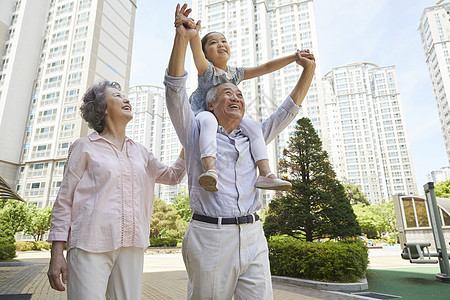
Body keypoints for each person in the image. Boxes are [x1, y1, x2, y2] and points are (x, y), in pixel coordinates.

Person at [164, 4, 315, 299]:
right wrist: (183, 38)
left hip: (254, 235)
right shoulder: (195, 130)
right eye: (227, 93)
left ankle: (267, 174)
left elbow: (287, 110)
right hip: (210, 237)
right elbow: (175, 90)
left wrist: (306, 70)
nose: (235, 96)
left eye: (239, 94)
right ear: (210, 103)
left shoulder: (252, 133)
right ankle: (211, 169)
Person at [46, 80, 186, 299]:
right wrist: (56, 253)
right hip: (89, 244)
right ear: (102, 108)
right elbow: (64, 200)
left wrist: (190, 140)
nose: (126, 99)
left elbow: (173, 176)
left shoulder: (140, 151)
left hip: (132, 244)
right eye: (118, 95)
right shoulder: (85, 146)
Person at [173, 4, 312, 192]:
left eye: (223, 41)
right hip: (204, 113)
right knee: (208, 123)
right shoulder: (206, 70)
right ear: (206, 54)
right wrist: (193, 33)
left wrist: (294, 57)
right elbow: (196, 50)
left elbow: (265, 68)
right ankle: (210, 170)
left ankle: (265, 173)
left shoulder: (235, 73)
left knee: (254, 127)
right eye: (213, 43)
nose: (221, 44)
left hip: (226, 119)